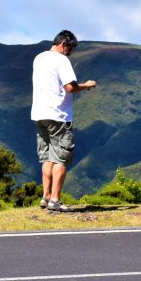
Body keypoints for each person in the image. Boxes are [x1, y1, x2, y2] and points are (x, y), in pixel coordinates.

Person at [30, 30, 97, 212]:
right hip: (58, 115)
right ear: (63, 44)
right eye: (70, 48)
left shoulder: (39, 58)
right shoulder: (61, 60)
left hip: (39, 114)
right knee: (61, 158)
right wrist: (87, 86)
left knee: (46, 157)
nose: (70, 52)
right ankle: (55, 200)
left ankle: (45, 197)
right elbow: (70, 87)